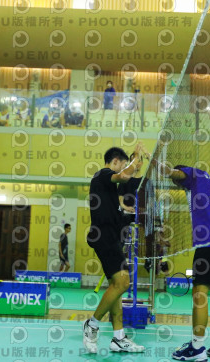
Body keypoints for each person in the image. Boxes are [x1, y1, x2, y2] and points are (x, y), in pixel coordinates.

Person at [154, 163, 210, 359]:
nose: (176, 184)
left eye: (177, 181)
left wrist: (155, 162)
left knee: (199, 292)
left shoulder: (193, 175)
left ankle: (197, 347)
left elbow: (171, 172)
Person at [83, 145, 146, 354]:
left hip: (110, 238)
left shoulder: (107, 189)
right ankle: (92, 324)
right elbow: (124, 176)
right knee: (123, 282)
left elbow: (114, 210)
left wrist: (126, 211)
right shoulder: (102, 175)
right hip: (105, 237)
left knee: (116, 287)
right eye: (123, 164)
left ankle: (119, 338)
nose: (124, 168)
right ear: (116, 161)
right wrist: (135, 160)